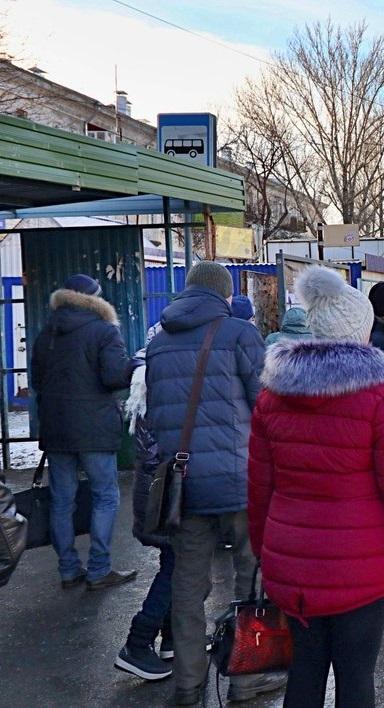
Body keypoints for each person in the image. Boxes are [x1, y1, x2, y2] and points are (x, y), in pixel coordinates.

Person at [249, 267, 384, 708]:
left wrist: (263, 550)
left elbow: (260, 486)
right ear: (360, 328)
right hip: (362, 567)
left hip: (292, 563)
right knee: (356, 679)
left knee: (303, 673)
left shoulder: (273, 395)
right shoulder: (381, 395)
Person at [144, 261, 284, 706]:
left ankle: (188, 682)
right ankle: (247, 675)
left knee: (187, 584)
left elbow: (153, 412)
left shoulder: (160, 341)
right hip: (238, 477)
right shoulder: (240, 334)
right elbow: (266, 403)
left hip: (182, 484)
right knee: (251, 574)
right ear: (225, 296)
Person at [30, 274, 135, 591]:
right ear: (94, 299)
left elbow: (37, 381)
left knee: (62, 500)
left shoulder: (46, 333)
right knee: (105, 496)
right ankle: (99, 569)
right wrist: (135, 364)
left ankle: (68, 570)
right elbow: (115, 377)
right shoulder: (104, 331)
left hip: (57, 427)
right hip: (94, 429)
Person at [112, 324, 175, 681]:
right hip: (166, 487)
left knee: (175, 559)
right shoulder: (161, 379)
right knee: (177, 564)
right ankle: (138, 642)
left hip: (154, 486)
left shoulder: (144, 373)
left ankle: (170, 639)